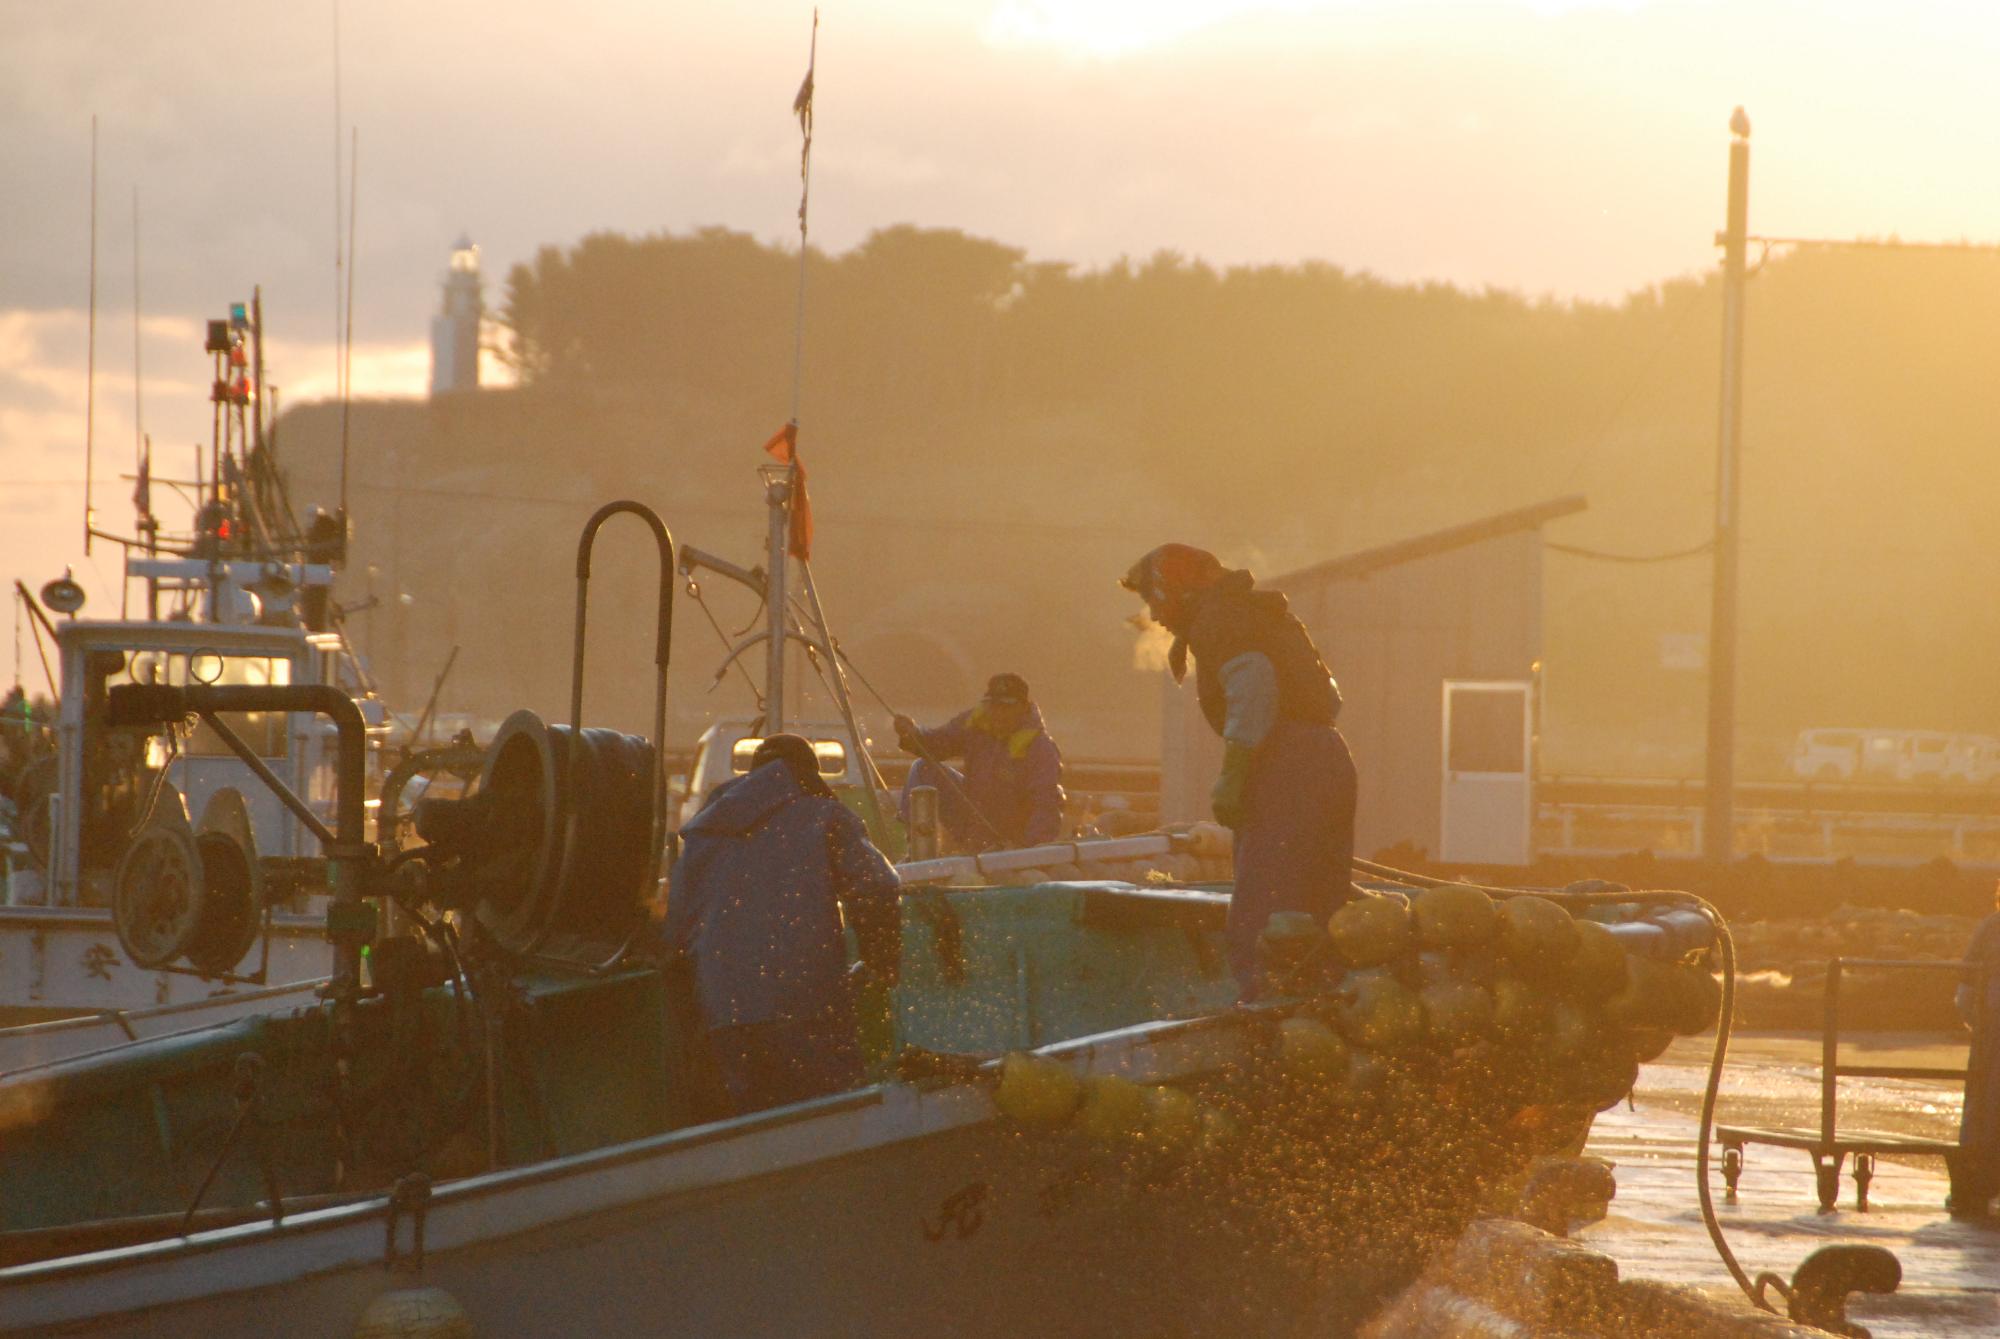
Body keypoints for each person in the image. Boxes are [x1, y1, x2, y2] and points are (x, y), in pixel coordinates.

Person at [1121, 543, 1357, 997]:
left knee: (1264, 903)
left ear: (1176, 590)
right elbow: (1330, 698)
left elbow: (1254, 686)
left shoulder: (1219, 618)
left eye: (1155, 601)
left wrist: (1234, 771)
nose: (1156, 616)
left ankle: (1266, 1012)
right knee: (1322, 900)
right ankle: (1323, 1005)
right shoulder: (1265, 614)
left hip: (1286, 765)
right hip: (1330, 757)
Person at [665, 733, 902, 1116]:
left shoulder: (702, 832)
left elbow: (676, 931)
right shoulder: (823, 813)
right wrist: (882, 962)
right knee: (830, 1123)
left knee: (748, 1135)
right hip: (806, 1008)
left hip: (721, 1015)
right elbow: (876, 885)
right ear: (806, 773)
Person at [893, 673, 1065, 852]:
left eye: (1006, 707)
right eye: (993, 705)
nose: (998, 712)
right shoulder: (975, 723)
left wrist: (1026, 849)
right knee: (922, 768)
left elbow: (1047, 804)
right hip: (971, 820)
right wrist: (912, 734)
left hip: (1009, 840)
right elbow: (937, 744)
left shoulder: (1041, 748)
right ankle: (916, 848)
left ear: (1023, 707)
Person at [1951, 880, 2000, 1219]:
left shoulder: (1991, 927)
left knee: (1983, 1105)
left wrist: (1975, 1019)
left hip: (1991, 1029)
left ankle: (1974, 1181)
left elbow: (1966, 987)